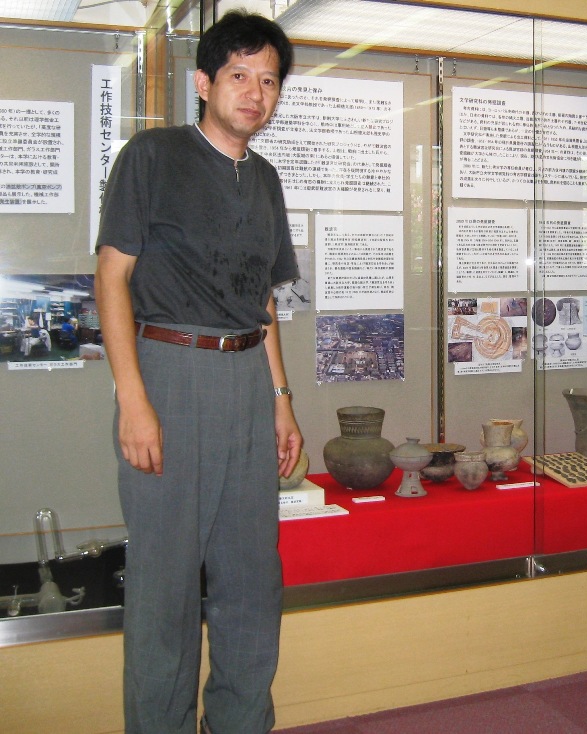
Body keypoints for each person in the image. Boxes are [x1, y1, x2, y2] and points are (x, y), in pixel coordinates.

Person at [94, 11, 300, 734]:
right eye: (240, 75)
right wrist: (133, 400)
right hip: (169, 374)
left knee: (252, 577)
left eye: (268, 80)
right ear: (205, 83)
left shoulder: (266, 180)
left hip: (246, 379)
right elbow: (111, 278)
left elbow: (261, 300)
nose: (255, 93)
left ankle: (241, 722)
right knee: (166, 588)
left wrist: (281, 400)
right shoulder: (153, 157)